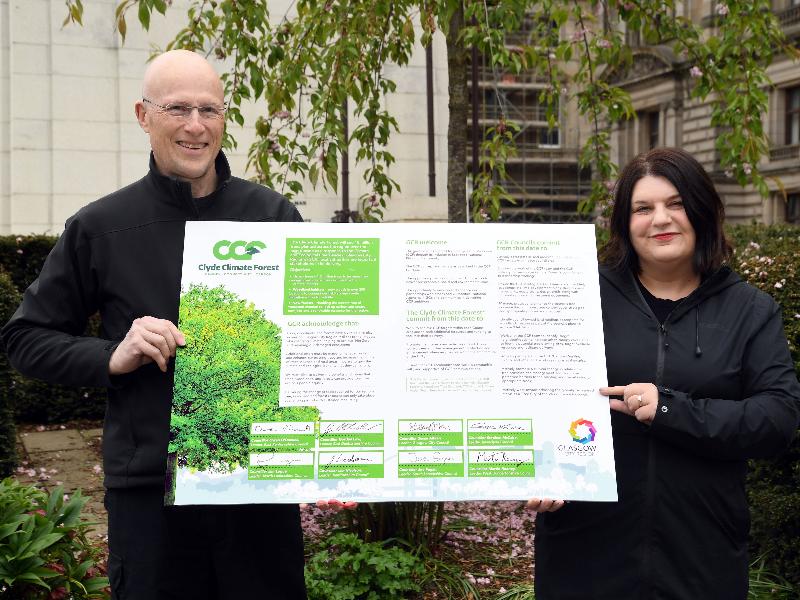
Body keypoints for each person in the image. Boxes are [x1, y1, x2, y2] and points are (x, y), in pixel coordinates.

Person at [2, 50, 321, 600]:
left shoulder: (273, 217)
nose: (196, 126)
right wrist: (110, 355)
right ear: (143, 115)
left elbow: (324, 341)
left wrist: (342, 455)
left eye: (210, 110)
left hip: (258, 492)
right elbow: (25, 339)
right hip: (152, 495)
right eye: (177, 108)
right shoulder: (100, 226)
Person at [527, 147, 800, 599]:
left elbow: (777, 418)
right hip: (584, 551)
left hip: (699, 556)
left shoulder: (750, 310)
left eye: (675, 203)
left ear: (702, 210)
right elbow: (528, 390)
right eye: (643, 208)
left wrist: (671, 409)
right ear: (624, 222)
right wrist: (533, 470)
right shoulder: (575, 298)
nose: (660, 219)